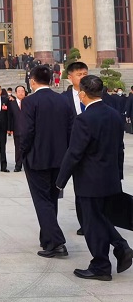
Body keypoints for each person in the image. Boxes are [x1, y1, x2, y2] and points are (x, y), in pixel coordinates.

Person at [56, 75, 133, 281]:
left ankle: (101, 265)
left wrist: (60, 181)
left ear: (82, 94)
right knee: (101, 218)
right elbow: (120, 148)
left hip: (90, 181)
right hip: (110, 178)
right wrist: (118, 174)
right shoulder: (114, 115)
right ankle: (120, 247)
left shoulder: (84, 119)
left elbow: (74, 153)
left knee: (92, 222)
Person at [21, 66, 73, 258]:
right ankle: (48, 240)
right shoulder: (63, 100)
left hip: (37, 158)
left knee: (42, 201)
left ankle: (57, 242)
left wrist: (22, 153)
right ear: (51, 80)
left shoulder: (29, 101)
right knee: (51, 200)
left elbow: (27, 131)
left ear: (32, 81)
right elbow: (70, 129)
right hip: (60, 159)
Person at [63, 61, 90, 235]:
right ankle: (84, 223)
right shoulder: (62, 99)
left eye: (85, 74)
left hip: (95, 151)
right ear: (70, 77)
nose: (83, 77)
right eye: (79, 75)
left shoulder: (98, 95)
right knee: (79, 189)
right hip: (74, 150)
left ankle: (98, 219)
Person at [8, 85, 26, 172]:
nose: (21, 93)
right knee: (18, 148)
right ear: (16, 93)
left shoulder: (29, 102)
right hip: (17, 129)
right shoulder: (12, 104)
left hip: (28, 130)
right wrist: (10, 129)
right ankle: (18, 165)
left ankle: (27, 165)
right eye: (19, 91)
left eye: (22, 91)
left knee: (28, 148)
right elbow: (10, 117)